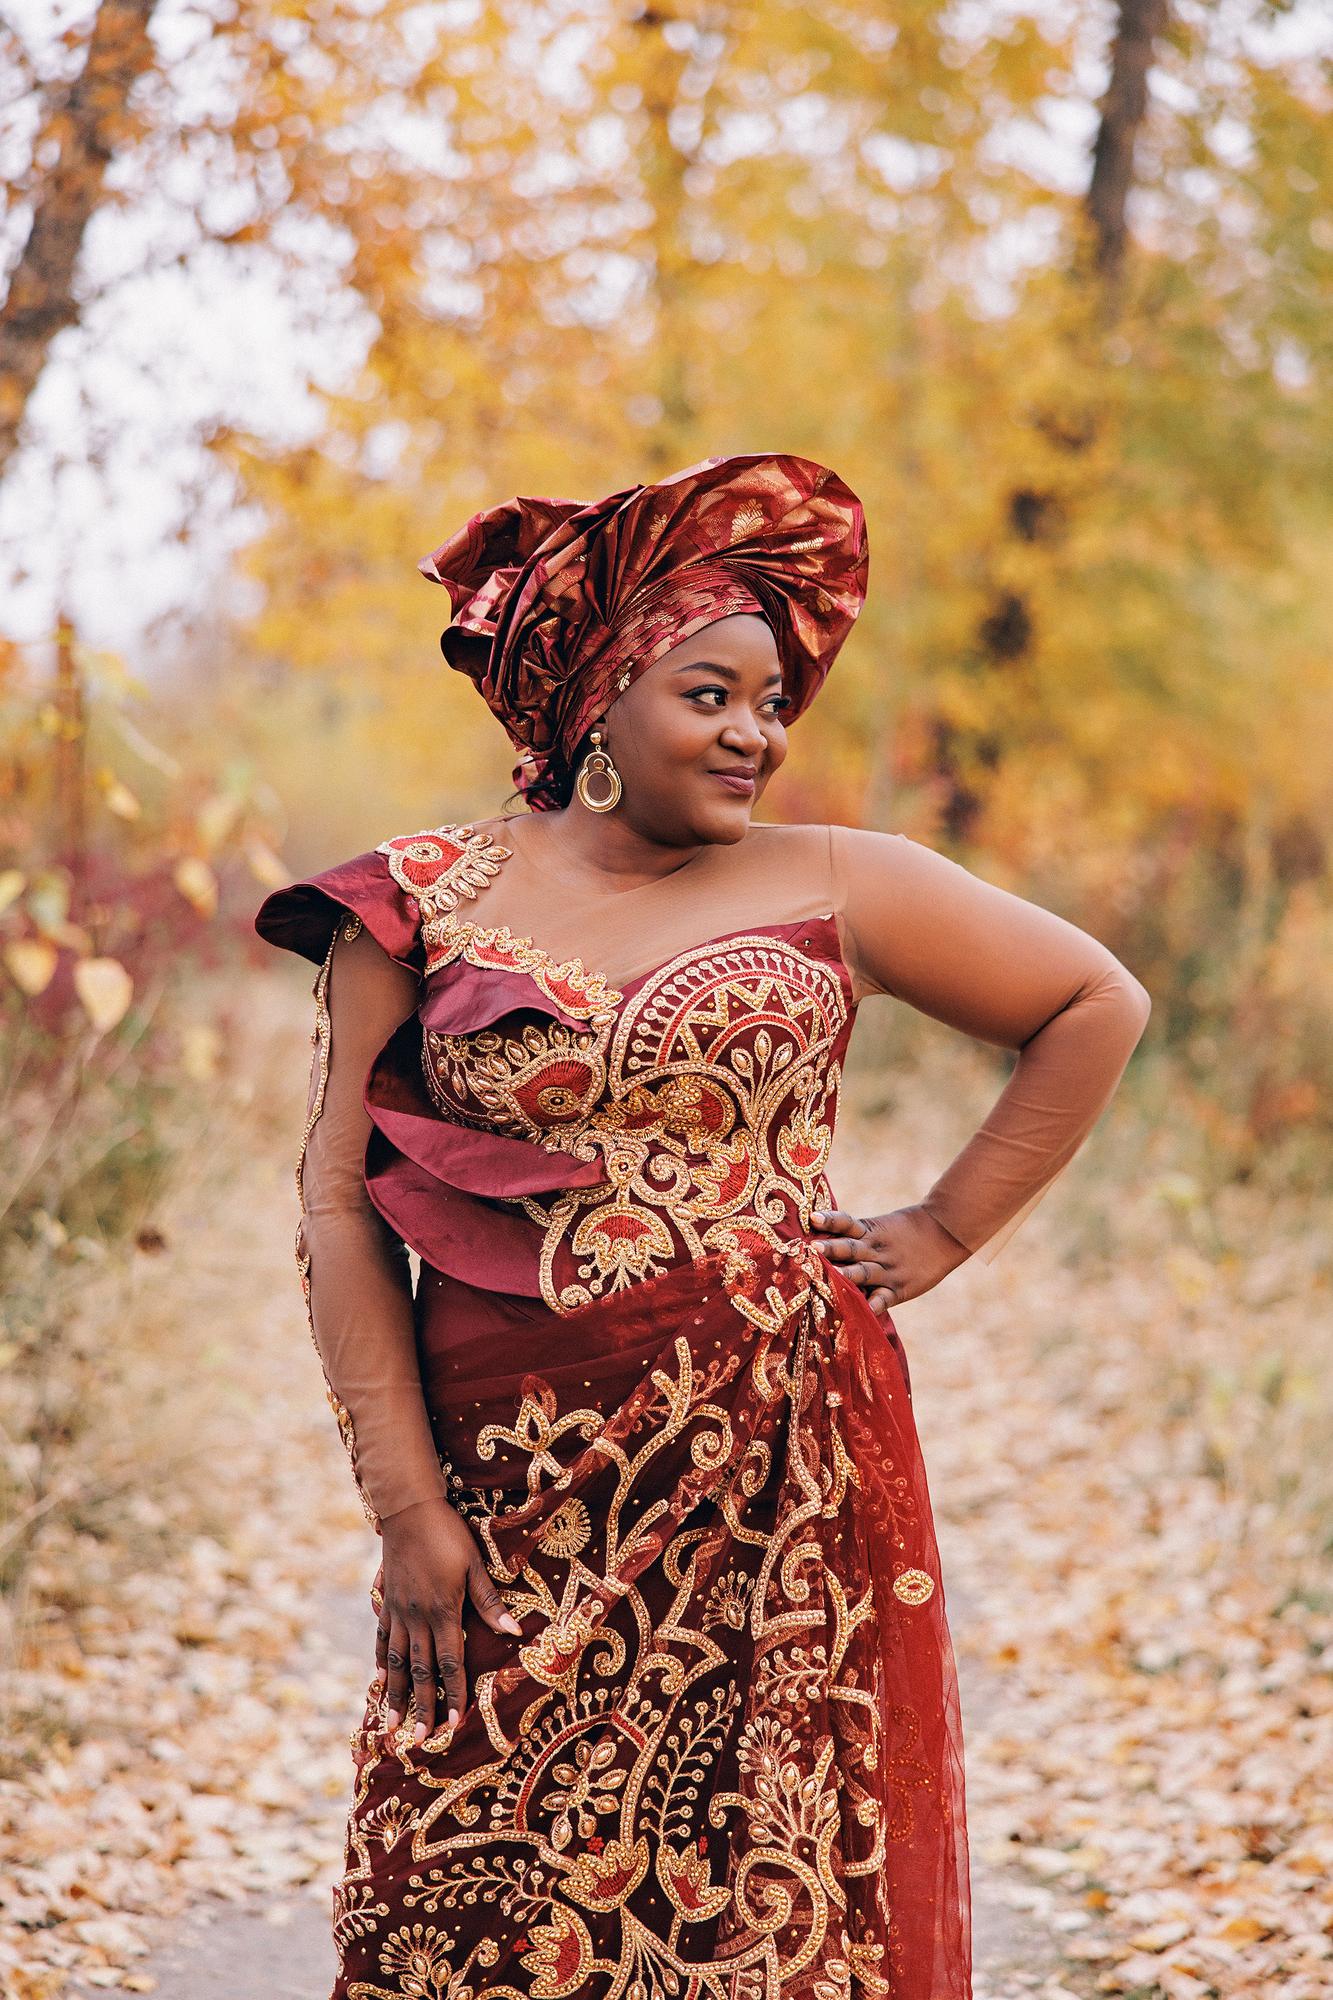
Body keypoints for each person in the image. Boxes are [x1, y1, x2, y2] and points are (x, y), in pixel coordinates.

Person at [255, 451, 1151, 2000]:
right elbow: (337, 1206)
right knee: (455, 1890)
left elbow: (1092, 1001)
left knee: (756, 1885)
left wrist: (943, 1228)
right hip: (511, 1486)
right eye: (712, 694)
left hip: (776, 1471)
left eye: (774, 700)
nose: (759, 734)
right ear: (596, 694)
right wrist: (405, 1508)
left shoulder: (837, 880)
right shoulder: (421, 899)